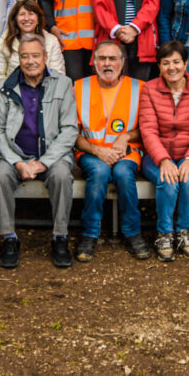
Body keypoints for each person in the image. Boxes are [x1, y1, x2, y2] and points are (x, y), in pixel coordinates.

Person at [0, 34, 79, 269]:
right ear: (18, 58)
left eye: (35, 55)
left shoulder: (63, 83)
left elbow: (70, 130)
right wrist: (17, 162)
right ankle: (9, 238)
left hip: (53, 155)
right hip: (15, 155)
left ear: (45, 57)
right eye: (24, 56)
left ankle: (60, 237)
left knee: (61, 176)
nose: (30, 61)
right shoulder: (6, 88)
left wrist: (44, 163)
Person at [72, 41, 151, 262]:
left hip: (127, 152)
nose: (107, 64)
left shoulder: (140, 88)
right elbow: (71, 133)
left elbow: (147, 128)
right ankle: (89, 234)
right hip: (90, 152)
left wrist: (125, 137)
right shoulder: (78, 88)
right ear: (94, 62)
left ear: (122, 62)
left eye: (113, 58)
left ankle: (132, 233)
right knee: (98, 174)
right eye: (102, 58)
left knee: (124, 175)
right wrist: (97, 151)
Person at [138, 40, 189, 261]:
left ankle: (185, 232)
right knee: (168, 180)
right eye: (166, 62)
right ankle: (164, 234)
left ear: (186, 63)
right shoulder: (150, 89)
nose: (172, 67)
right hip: (157, 155)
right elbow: (148, 130)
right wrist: (163, 160)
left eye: (177, 62)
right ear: (159, 66)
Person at [0, 0, 65, 87]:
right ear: (15, 19)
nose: (26, 18)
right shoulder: (3, 43)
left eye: (31, 14)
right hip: (12, 96)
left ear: (38, 18)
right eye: (22, 14)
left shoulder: (51, 41)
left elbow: (58, 76)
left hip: (46, 95)